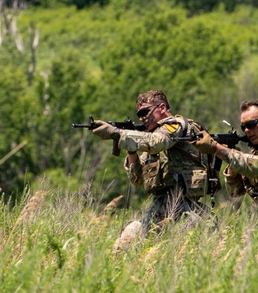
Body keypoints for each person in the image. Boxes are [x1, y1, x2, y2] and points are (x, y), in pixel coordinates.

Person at [90, 90, 211, 242]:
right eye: (139, 115)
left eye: (145, 112)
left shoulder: (176, 125)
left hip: (184, 206)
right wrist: (131, 149)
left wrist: (118, 133)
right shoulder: (151, 139)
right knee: (124, 243)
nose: (142, 118)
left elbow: (157, 142)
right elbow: (138, 180)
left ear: (162, 108)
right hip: (158, 208)